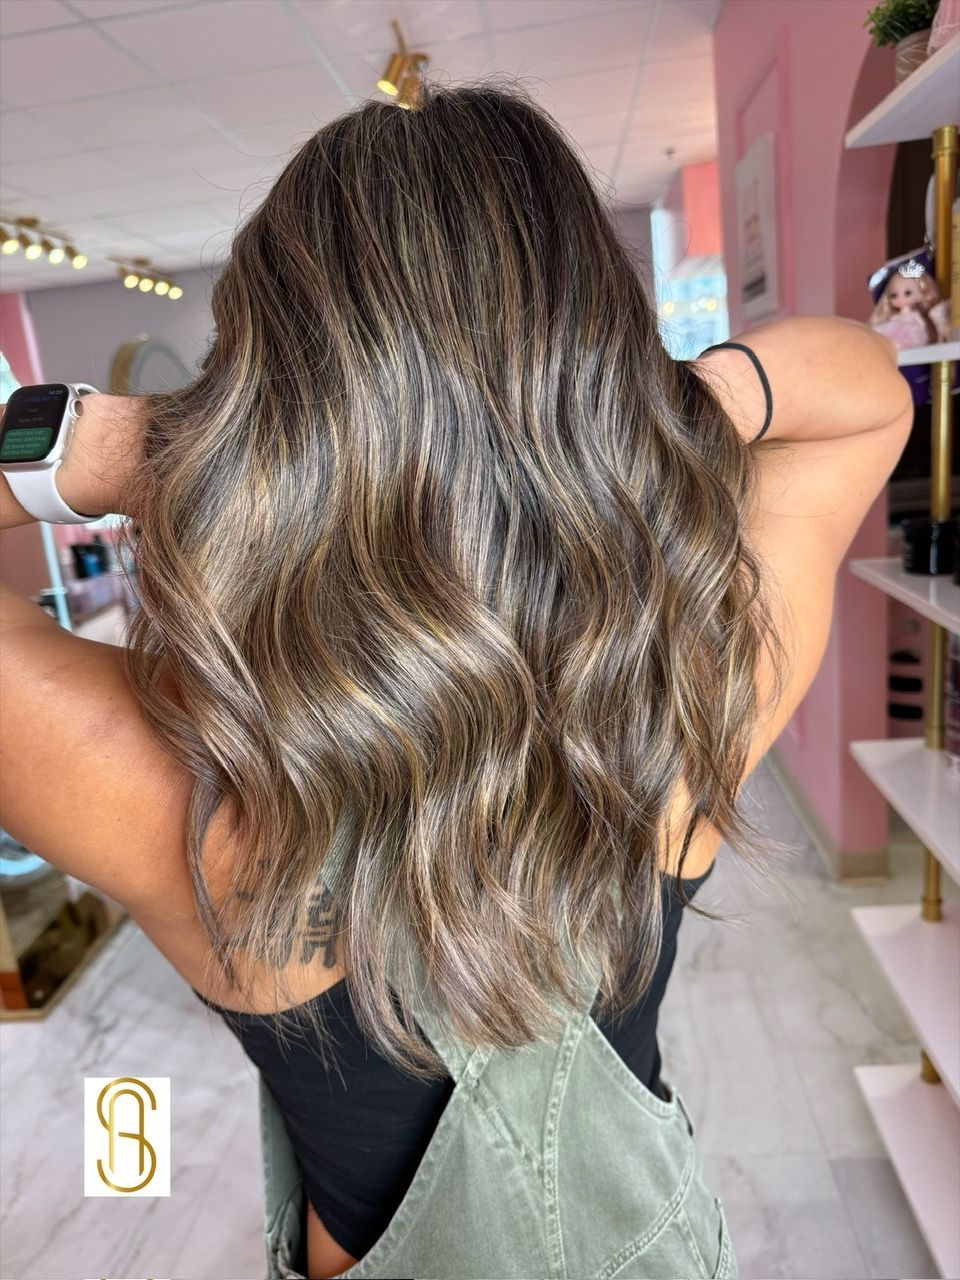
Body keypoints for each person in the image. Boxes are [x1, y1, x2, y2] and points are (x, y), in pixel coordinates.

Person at [0, 80, 913, 1280]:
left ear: (265, 392)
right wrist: (655, 409)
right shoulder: (694, 695)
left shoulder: (175, 793)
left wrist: (133, 447)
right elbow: (863, 392)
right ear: (596, 352)